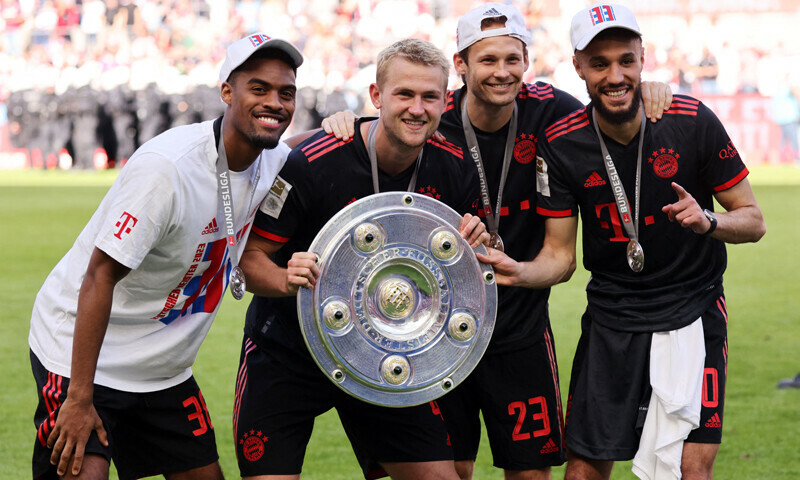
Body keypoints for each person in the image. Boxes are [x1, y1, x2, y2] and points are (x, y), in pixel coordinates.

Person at [321, 4, 673, 479]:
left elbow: (613, 111)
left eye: (513, 59)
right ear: (461, 65)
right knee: (454, 469)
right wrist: (346, 121)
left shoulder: (554, 112)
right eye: (487, 60)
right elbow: (377, 136)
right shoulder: (430, 116)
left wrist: (652, 89)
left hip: (519, 329)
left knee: (530, 472)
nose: (502, 72)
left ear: (527, 61)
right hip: (437, 329)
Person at [480, 4, 766, 480]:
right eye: (600, 63)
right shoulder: (562, 141)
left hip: (692, 309)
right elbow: (559, 256)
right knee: (584, 471)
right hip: (614, 314)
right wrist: (518, 271)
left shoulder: (691, 119)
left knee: (690, 472)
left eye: (625, 61)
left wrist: (708, 222)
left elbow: (753, 221)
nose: (615, 75)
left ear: (642, 59)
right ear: (578, 67)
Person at [28, 33, 304, 480]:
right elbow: (99, 276)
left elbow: (319, 146)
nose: (275, 102)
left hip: (162, 368)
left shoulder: (277, 161)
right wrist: (78, 398)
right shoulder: (168, 168)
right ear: (227, 92)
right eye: (259, 88)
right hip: (83, 357)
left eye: (286, 92)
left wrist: (350, 122)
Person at [233, 38, 488, 480]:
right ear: (376, 96)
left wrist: (481, 246)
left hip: (382, 357)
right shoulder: (312, 161)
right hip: (287, 352)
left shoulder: (455, 165)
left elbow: (473, 263)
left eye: (429, 96)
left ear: (445, 102)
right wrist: (284, 279)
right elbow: (250, 258)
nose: (417, 108)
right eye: (404, 94)